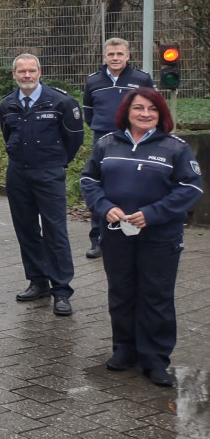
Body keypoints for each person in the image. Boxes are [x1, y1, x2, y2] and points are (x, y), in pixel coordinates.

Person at [80, 88, 201, 388]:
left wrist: (153, 213)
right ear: (127, 111)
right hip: (117, 234)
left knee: (156, 296)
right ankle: (124, 350)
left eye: (152, 109)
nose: (145, 114)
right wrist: (104, 207)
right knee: (121, 292)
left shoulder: (176, 148)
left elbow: (191, 188)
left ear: (161, 114)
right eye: (139, 108)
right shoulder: (108, 143)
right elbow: (89, 180)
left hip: (160, 236)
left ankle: (155, 359)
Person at [0, 54, 84, 316]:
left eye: (31, 71)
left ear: (40, 72)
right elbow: (7, 134)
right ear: (14, 74)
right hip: (18, 174)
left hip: (49, 174)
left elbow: (74, 139)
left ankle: (61, 290)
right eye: (21, 71)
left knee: (55, 231)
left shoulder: (61, 102)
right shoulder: (7, 104)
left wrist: (57, 163)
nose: (27, 75)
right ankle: (38, 282)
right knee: (26, 229)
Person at [81, 38, 154, 259]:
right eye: (111, 54)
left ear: (128, 56)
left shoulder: (142, 79)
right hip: (103, 141)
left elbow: (152, 109)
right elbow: (88, 113)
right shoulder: (93, 81)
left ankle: (137, 235)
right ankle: (98, 240)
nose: (115, 58)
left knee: (136, 187)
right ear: (104, 56)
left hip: (134, 140)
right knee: (100, 187)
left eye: (120, 54)